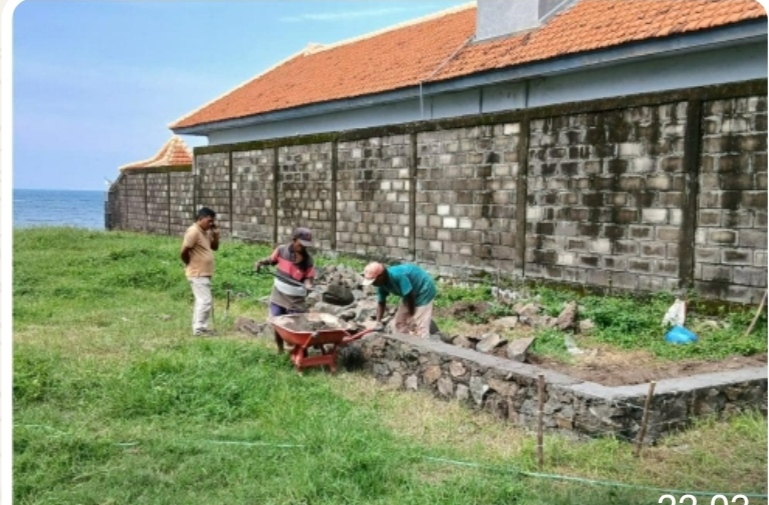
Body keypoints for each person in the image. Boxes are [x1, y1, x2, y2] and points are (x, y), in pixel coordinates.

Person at [254, 227, 316, 352]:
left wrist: (308, 284)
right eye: (301, 244)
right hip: (279, 293)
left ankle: (300, 351)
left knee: (297, 325)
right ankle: (280, 349)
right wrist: (260, 262)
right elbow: (271, 260)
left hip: (295, 298)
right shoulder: (282, 250)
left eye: (306, 245)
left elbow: (308, 278)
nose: (303, 247)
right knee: (277, 322)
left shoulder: (308, 260)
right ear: (294, 240)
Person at [362, 262, 437, 338]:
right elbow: (381, 302)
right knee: (399, 323)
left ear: (381, 276)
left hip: (424, 289)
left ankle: (423, 341)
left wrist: (411, 314)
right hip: (409, 293)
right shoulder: (380, 284)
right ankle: (405, 341)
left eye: (374, 281)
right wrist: (378, 322)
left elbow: (409, 296)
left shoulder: (397, 276)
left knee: (419, 327)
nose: (373, 284)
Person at [180, 207, 220, 336]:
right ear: (200, 219)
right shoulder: (193, 231)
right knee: (205, 301)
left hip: (204, 272)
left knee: (201, 301)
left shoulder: (205, 232)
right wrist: (189, 263)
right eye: (209, 221)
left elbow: (215, 247)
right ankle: (200, 330)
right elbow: (184, 251)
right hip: (197, 272)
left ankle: (198, 327)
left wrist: (216, 234)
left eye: (212, 221)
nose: (211, 224)